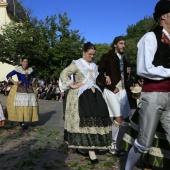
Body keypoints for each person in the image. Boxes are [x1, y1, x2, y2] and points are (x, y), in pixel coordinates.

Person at [125, 1, 170, 169]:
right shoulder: (150, 37)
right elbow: (144, 68)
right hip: (153, 96)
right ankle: (128, 168)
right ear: (164, 16)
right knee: (144, 143)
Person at [59, 42, 112, 164]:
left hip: (94, 94)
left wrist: (106, 77)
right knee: (83, 121)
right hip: (81, 95)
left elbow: (98, 78)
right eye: (90, 54)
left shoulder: (94, 65)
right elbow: (64, 73)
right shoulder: (77, 64)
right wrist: (70, 84)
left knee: (97, 118)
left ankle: (90, 146)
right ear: (83, 52)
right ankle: (89, 150)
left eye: (94, 54)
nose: (92, 56)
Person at [97, 36, 132, 155]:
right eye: (121, 43)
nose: (124, 46)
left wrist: (131, 86)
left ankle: (114, 144)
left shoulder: (124, 58)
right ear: (115, 45)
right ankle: (112, 145)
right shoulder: (107, 56)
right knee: (118, 117)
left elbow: (126, 76)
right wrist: (111, 86)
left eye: (124, 43)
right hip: (111, 90)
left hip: (122, 91)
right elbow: (99, 73)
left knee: (122, 119)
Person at [6, 58, 39, 130]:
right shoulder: (18, 69)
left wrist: (32, 82)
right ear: (21, 63)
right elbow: (8, 75)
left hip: (29, 88)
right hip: (20, 87)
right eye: (24, 62)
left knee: (27, 104)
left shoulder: (30, 70)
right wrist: (14, 82)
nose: (26, 63)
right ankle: (21, 120)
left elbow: (35, 76)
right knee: (20, 105)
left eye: (27, 62)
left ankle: (25, 120)